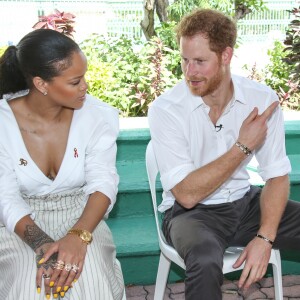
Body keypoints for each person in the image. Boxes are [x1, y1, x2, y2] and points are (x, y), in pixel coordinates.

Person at [148, 8, 300, 300]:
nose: (190, 71)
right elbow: (186, 194)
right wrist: (242, 146)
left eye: (200, 61)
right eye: (184, 60)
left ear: (226, 56)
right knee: (205, 261)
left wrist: (265, 236)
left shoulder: (261, 100)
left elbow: (277, 175)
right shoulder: (166, 110)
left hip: (246, 203)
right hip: (191, 216)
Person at [0, 29, 124, 300]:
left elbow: (103, 182)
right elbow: (6, 198)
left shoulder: (97, 116)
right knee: (33, 286)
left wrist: (78, 237)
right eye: (75, 81)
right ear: (41, 84)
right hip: (19, 223)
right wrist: (43, 246)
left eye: (84, 77)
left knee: (89, 281)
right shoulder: (2, 123)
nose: (85, 87)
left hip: (82, 214)